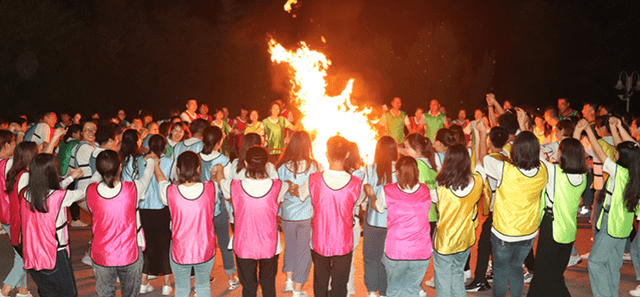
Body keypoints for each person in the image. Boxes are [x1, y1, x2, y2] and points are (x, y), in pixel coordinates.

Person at [574, 118, 640, 297]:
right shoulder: (634, 172)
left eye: (618, 154)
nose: (615, 155)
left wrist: (588, 130)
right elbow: (628, 149)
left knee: (595, 263)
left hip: (611, 224)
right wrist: (614, 127)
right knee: (612, 265)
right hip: (623, 226)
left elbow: (599, 151)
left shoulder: (619, 172)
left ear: (622, 158)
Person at [212, 146, 290, 297]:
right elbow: (287, 186)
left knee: (248, 287)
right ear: (267, 164)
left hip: (244, 244)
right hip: (270, 245)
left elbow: (221, 182)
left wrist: (220, 172)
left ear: (246, 164)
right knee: (268, 285)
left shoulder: (234, 186)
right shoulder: (278, 186)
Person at [292, 135, 365, 297]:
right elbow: (359, 202)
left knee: (320, 282)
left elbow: (301, 194)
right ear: (347, 154)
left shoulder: (314, 179)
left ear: (327, 154)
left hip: (320, 239)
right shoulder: (356, 183)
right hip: (343, 241)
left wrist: (291, 188)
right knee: (340, 284)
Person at [483, 131, 548, 297]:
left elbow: (485, 158)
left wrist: (482, 133)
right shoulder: (543, 171)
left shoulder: (505, 170)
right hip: (528, 232)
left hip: (505, 232)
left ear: (515, 150)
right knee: (516, 268)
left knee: (501, 273)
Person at [87, 150, 156, 297]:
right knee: (130, 294)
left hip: (102, 254)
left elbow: (94, 178)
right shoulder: (132, 189)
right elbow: (147, 176)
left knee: (105, 294)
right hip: (130, 253)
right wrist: (150, 161)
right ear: (120, 167)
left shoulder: (90, 190)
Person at [20, 154, 89, 297]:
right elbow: (84, 192)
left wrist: (70, 178)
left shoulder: (26, 193)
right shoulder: (58, 197)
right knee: (69, 293)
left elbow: (54, 192)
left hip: (33, 251)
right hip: (55, 253)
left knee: (46, 291)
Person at [364, 156, 432, 297]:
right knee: (412, 289)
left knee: (394, 290)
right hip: (421, 252)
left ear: (398, 173)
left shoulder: (388, 190)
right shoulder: (425, 191)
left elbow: (378, 207)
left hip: (396, 251)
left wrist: (371, 196)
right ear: (417, 172)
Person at [527, 138, 587, 296]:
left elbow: (535, 152)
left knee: (541, 274)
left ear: (564, 154)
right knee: (555, 275)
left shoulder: (555, 172)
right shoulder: (583, 177)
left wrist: (523, 126)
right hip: (568, 230)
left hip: (551, 226)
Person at [154, 151, 217, 297]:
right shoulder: (210, 189)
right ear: (198, 169)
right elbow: (214, 181)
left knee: (182, 289)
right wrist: (214, 173)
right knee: (203, 287)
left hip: (180, 249)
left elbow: (161, 181)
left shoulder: (170, 192)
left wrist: (156, 166)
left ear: (177, 170)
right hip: (205, 248)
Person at [433, 131, 485, 296]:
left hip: (445, 241)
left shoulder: (441, 188)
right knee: (457, 275)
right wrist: (480, 134)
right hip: (466, 238)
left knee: (442, 279)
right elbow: (480, 162)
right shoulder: (477, 181)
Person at [465, 126, 510, 292]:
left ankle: (479, 279)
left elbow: (480, 159)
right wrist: (480, 134)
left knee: (484, 244)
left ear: (490, 141)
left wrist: (480, 134)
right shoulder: (507, 157)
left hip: (496, 210)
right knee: (497, 244)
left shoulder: (492, 160)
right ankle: (496, 274)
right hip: (507, 208)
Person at [276, 131, 320, 297]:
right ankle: (297, 290)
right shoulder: (314, 166)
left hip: (287, 214)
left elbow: (278, 190)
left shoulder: (281, 166)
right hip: (305, 215)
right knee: (303, 252)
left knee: (290, 247)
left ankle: (288, 281)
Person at [198, 126, 240, 291]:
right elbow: (227, 186)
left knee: (205, 243)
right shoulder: (223, 160)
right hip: (219, 207)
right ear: (218, 142)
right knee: (224, 243)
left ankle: (205, 277)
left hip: (200, 208)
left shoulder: (195, 158)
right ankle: (231, 278)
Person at [137, 135, 174, 295]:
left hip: (144, 207)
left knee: (148, 245)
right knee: (164, 245)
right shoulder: (169, 162)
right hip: (162, 206)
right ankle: (166, 284)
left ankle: (143, 282)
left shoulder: (140, 160)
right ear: (164, 147)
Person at [362, 136, 398, 297]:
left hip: (373, 220)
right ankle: (384, 291)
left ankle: (371, 291)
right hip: (392, 221)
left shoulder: (370, 168)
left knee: (371, 257)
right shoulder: (400, 169)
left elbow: (365, 193)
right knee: (387, 257)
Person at [0, 131, 30, 297]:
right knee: (26, 254)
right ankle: (5, 289)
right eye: (12, 143)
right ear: (5, 146)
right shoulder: (9, 163)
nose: (14, 147)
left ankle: (23, 290)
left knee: (19, 253)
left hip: (3, 215)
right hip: (14, 214)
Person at [69, 121, 98, 227]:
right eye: (87, 130)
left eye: (93, 129)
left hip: (83, 190)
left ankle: (97, 239)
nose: (90, 132)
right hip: (87, 190)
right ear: (81, 133)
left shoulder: (92, 147)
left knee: (99, 216)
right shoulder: (85, 148)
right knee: (101, 215)